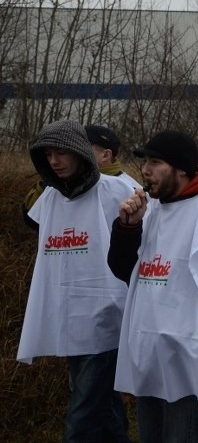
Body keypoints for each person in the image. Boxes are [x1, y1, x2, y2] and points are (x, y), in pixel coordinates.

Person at [107, 130, 198, 442]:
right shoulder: (153, 209)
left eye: (155, 162)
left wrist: (189, 333)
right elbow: (126, 273)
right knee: (151, 436)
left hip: (191, 356)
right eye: (144, 161)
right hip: (150, 351)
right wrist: (127, 229)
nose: (145, 170)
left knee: (180, 437)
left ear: (182, 169)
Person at [17, 119, 134, 442]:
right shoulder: (51, 197)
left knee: (82, 416)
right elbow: (30, 220)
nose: (54, 161)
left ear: (80, 152)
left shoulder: (117, 190)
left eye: (61, 153)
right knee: (104, 406)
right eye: (48, 155)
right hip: (68, 318)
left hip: (105, 317)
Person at [85, 124, 141, 189]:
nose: (78, 151)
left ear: (106, 155)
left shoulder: (130, 191)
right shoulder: (78, 183)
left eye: (84, 147)